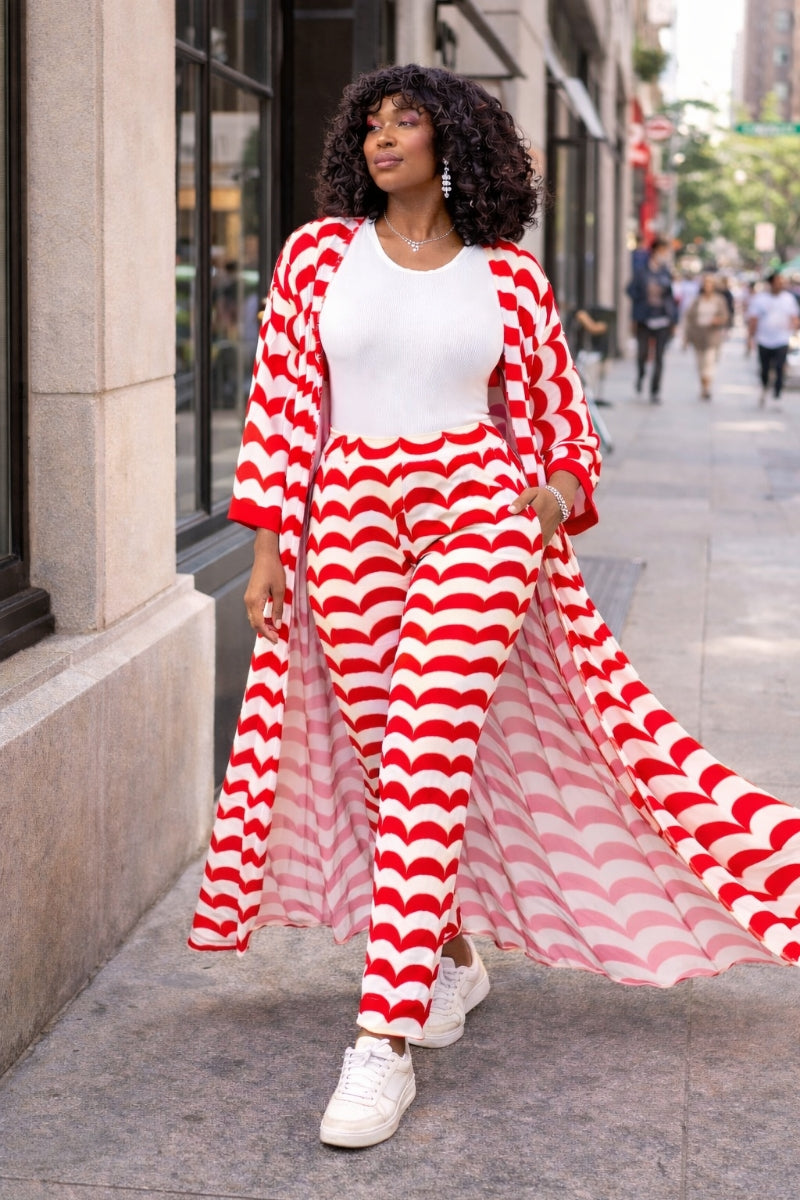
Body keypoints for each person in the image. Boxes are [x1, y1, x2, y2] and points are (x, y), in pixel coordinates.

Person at [190, 64, 800, 1150]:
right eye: (369, 123)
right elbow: (282, 409)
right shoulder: (314, 257)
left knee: (425, 742)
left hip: (478, 514)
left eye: (406, 121)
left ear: (450, 140)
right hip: (347, 518)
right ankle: (450, 958)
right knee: (390, 760)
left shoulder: (507, 280)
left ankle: (381, 1043)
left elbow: (562, 429)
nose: (383, 139)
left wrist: (553, 495)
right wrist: (268, 547)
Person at [627, 237, 678, 403]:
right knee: (642, 354)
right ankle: (641, 375)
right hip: (644, 319)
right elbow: (630, 290)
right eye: (664, 251)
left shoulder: (666, 272)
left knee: (659, 357)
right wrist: (643, 299)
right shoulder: (641, 271)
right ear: (656, 251)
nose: (665, 254)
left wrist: (673, 319)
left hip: (662, 319)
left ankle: (655, 390)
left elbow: (670, 297)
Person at [747, 270, 800, 406]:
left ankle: (777, 394)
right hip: (764, 339)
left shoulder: (788, 299)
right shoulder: (760, 299)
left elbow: (794, 317)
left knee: (780, 367)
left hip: (782, 339)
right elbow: (754, 319)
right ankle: (764, 387)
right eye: (777, 282)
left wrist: (795, 330)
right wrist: (750, 338)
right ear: (771, 283)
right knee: (764, 368)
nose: (780, 285)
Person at [683, 272, 729, 399]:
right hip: (698, 336)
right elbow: (689, 318)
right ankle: (703, 386)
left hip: (712, 336)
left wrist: (717, 320)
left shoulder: (719, 300)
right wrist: (686, 338)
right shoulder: (697, 300)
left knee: (709, 364)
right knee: (700, 364)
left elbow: (725, 316)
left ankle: (706, 388)